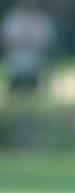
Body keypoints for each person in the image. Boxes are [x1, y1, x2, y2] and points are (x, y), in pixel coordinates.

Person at [1, 0, 55, 145]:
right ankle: (13, 137)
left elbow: (45, 42)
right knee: (15, 104)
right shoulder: (12, 19)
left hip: (35, 69)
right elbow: (8, 42)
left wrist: (27, 39)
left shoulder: (42, 20)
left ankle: (33, 138)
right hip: (17, 68)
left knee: (34, 106)